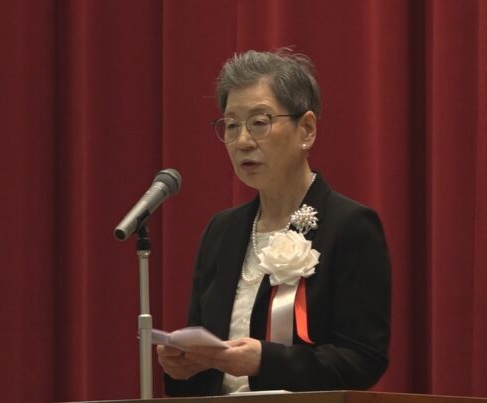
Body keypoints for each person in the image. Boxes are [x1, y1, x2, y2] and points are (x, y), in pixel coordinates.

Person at [157, 49, 391, 396]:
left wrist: (264, 361)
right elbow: (206, 359)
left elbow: (362, 360)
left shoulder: (350, 226)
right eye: (231, 125)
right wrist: (183, 367)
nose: (242, 141)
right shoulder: (221, 232)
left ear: (306, 129)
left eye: (259, 122)